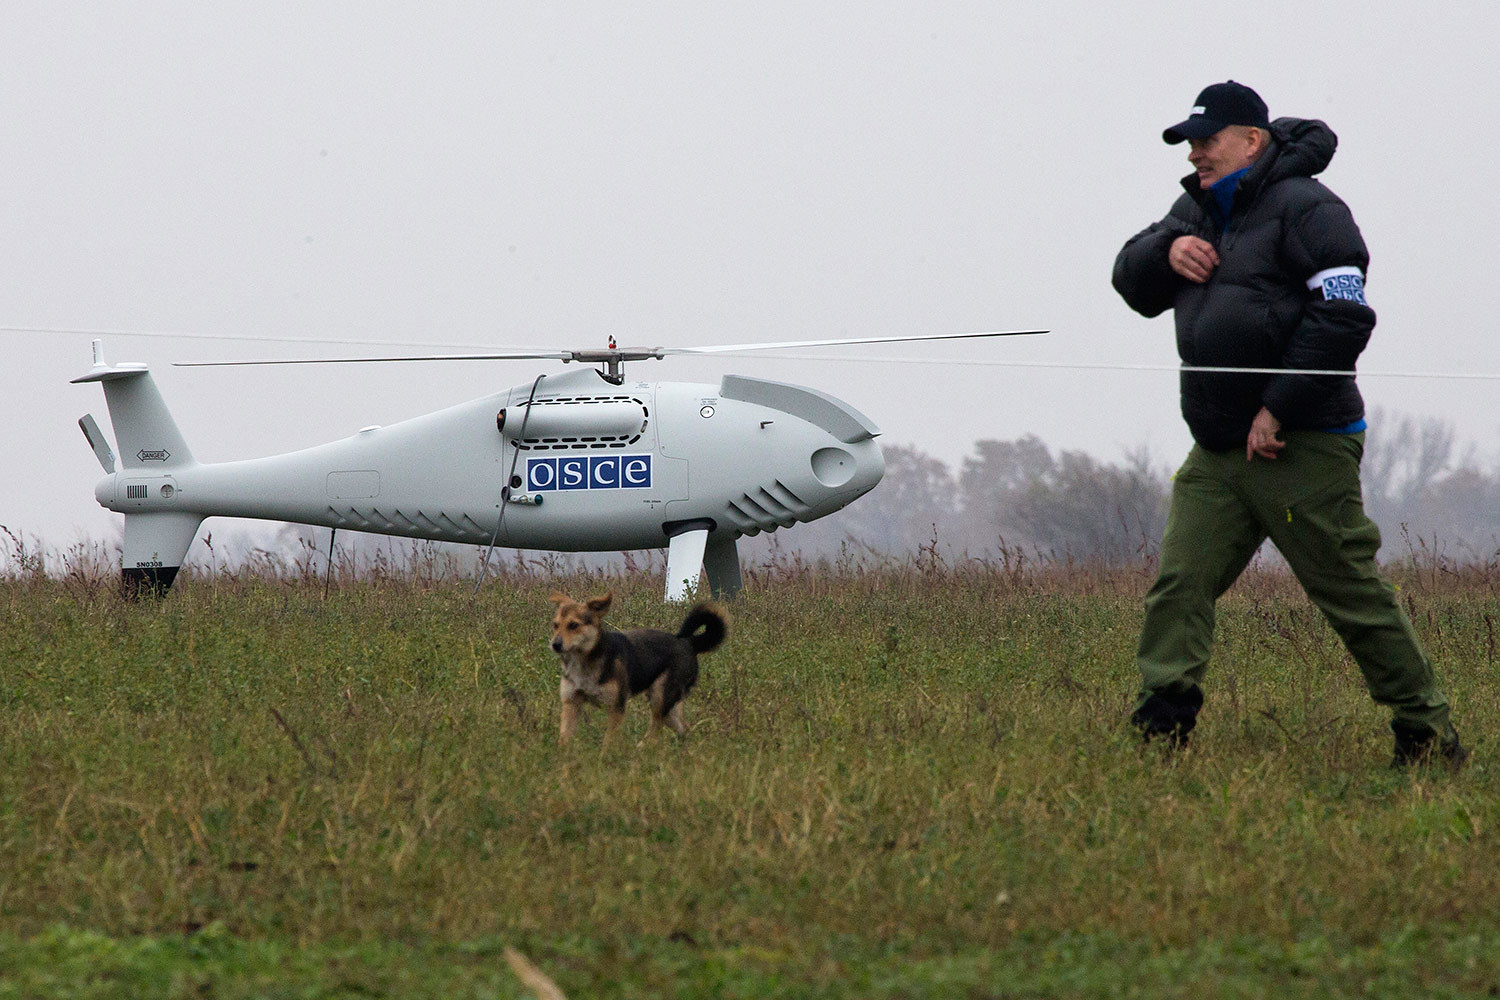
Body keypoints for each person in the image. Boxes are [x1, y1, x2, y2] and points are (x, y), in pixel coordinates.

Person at [1111, 81, 1466, 768]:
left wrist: (1278, 407)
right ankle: (1161, 732)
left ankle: (1427, 734)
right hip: (1218, 449)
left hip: (1303, 444)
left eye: (1207, 141)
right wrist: (1165, 254)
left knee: (1349, 596)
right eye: (1189, 143)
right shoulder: (1193, 209)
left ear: (1252, 140)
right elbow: (1131, 281)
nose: (1195, 154)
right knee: (1179, 586)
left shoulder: (1310, 208)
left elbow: (1345, 317)